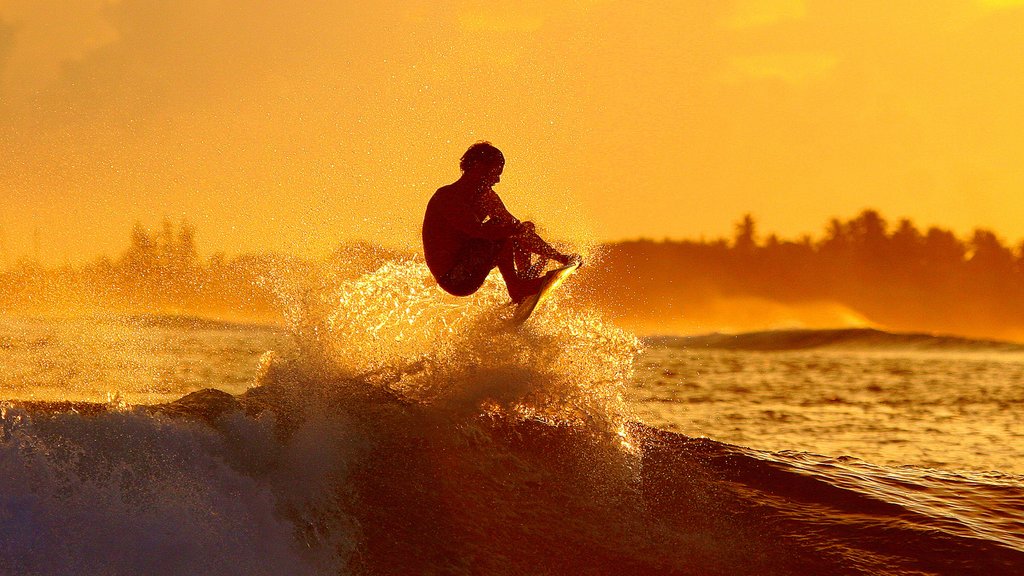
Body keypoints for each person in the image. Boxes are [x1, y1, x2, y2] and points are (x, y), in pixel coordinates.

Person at [422, 142, 579, 303]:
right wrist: (511, 230)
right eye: (495, 173)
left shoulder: (486, 198)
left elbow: (517, 230)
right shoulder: (448, 197)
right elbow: (478, 231)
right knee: (502, 229)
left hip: (471, 265)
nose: (497, 180)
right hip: (454, 279)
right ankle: (517, 287)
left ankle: (523, 279)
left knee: (522, 228)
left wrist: (559, 257)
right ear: (477, 167)